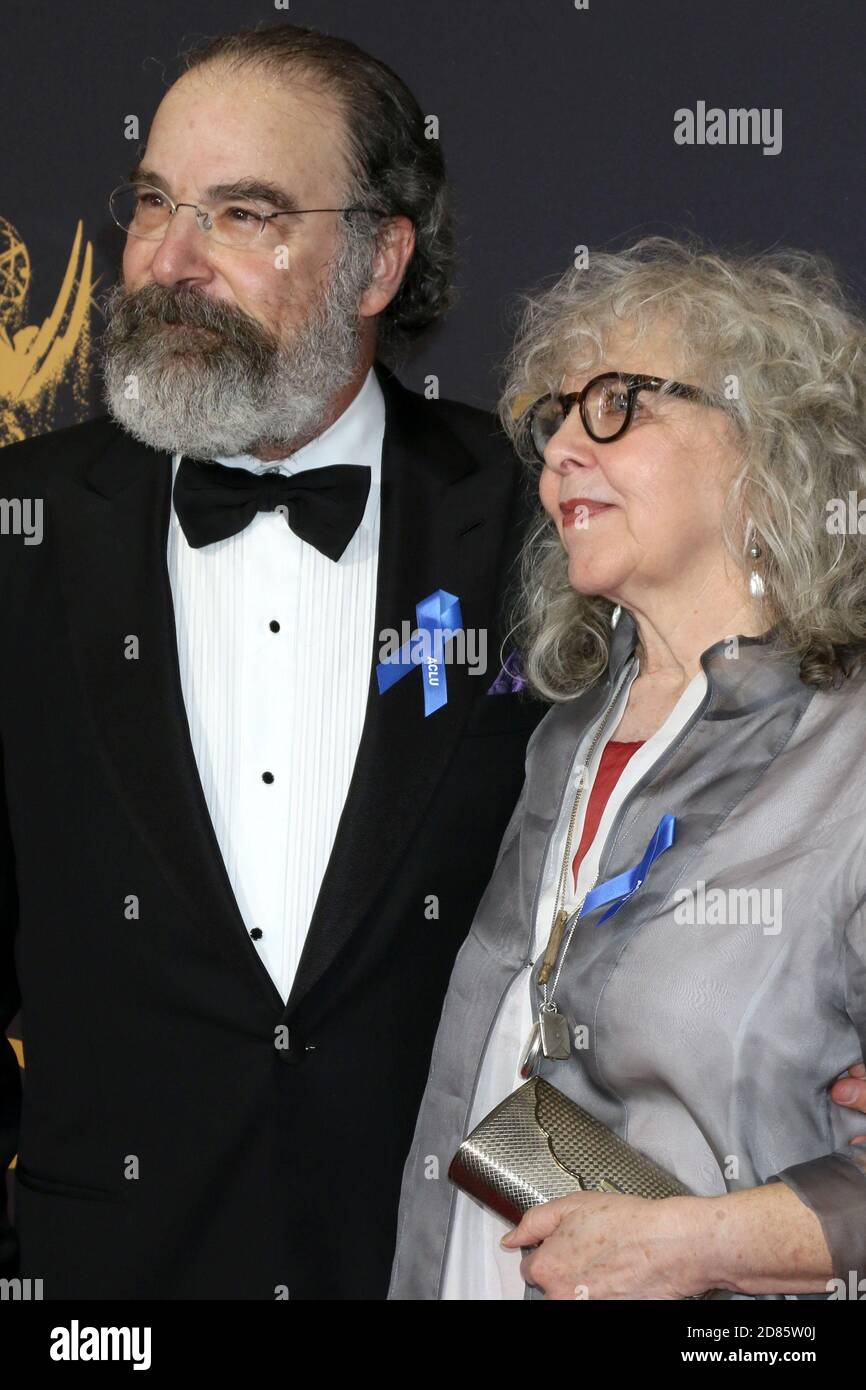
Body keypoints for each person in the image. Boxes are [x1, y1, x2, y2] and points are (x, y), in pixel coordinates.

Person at [0, 23, 547, 1299]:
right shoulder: (18, 532)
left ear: (375, 260)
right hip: (109, 1282)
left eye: (242, 214)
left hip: (447, 1263)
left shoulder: (541, 521)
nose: (167, 263)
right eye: (152, 204)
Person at [388, 237, 866, 1300]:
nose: (559, 449)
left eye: (615, 403)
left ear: (768, 443)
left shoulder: (849, 756)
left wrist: (705, 1243)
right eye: (551, 417)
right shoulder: (560, 735)